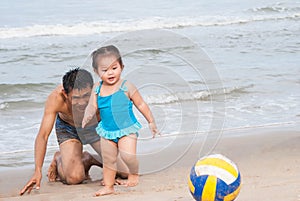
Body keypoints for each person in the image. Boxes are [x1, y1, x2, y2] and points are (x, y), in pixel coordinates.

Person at [82, 45, 159, 196]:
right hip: (107, 131)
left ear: (122, 67)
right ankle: (109, 186)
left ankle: (134, 173)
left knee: (127, 156)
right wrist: (86, 117)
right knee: (109, 160)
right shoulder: (97, 88)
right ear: (96, 72)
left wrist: (151, 121)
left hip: (127, 130)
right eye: (104, 70)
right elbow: (92, 106)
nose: (110, 73)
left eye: (114, 68)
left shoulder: (126, 86)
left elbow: (141, 104)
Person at [19, 68, 104, 195]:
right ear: (65, 94)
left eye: (86, 96)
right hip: (68, 128)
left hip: (93, 127)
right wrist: (38, 171)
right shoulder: (56, 98)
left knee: (124, 171)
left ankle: (88, 158)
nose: (81, 103)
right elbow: (43, 136)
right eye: (75, 98)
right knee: (74, 178)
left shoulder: (101, 94)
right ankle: (59, 158)